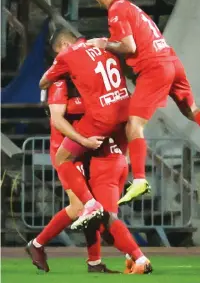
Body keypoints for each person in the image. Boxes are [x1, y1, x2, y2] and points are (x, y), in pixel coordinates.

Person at [87, 0, 200, 206]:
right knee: (191, 109)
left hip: (154, 68)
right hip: (171, 61)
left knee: (134, 125)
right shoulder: (131, 8)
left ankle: (139, 179)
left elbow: (129, 46)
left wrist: (103, 43)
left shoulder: (116, 11)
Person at [27, 78, 152, 274]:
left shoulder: (90, 88)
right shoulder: (61, 85)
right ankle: (37, 243)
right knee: (83, 207)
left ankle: (95, 262)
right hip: (68, 152)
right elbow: (57, 119)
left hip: (85, 152)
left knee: (92, 212)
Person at [39, 31, 130, 228]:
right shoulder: (101, 46)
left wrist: (84, 140)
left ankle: (38, 243)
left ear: (64, 44)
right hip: (123, 110)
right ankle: (123, 256)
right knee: (101, 208)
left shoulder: (68, 57)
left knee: (84, 203)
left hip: (99, 122)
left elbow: (43, 82)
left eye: (57, 54)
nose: (57, 59)